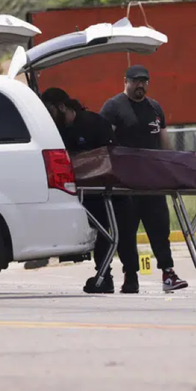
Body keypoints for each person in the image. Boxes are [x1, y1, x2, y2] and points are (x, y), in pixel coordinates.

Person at [100, 65, 188, 294]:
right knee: (126, 233)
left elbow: (165, 141)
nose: (141, 85)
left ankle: (168, 273)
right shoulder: (113, 107)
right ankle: (131, 277)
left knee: (160, 230)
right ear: (126, 81)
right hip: (125, 186)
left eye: (145, 81)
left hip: (153, 183)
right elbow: (103, 143)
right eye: (136, 81)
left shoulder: (155, 108)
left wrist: (171, 169)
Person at [41, 87, 121, 294]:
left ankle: (107, 276)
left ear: (61, 107)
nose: (48, 116)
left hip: (100, 190)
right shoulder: (54, 131)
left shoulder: (94, 123)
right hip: (70, 190)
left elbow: (110, 156)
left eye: (49, 111)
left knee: (106, 231)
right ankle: (103, 274)